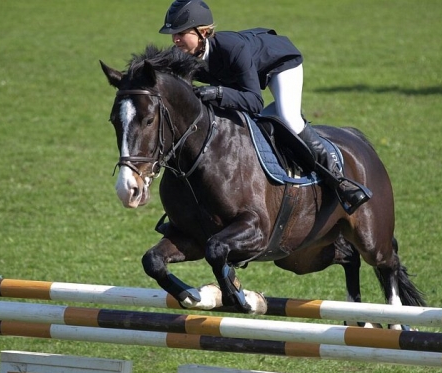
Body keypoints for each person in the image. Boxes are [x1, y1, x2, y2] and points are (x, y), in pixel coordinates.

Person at [159, 0, 371, 214]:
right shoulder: (184, 54)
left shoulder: (232, 48)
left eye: (181, 33)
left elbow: (254, 101)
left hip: (279, 65)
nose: (175, 39)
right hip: (242, 77)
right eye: (173, 34)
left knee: (289, 118)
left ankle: (339, 180)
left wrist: (218, 93)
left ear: (203, 32)